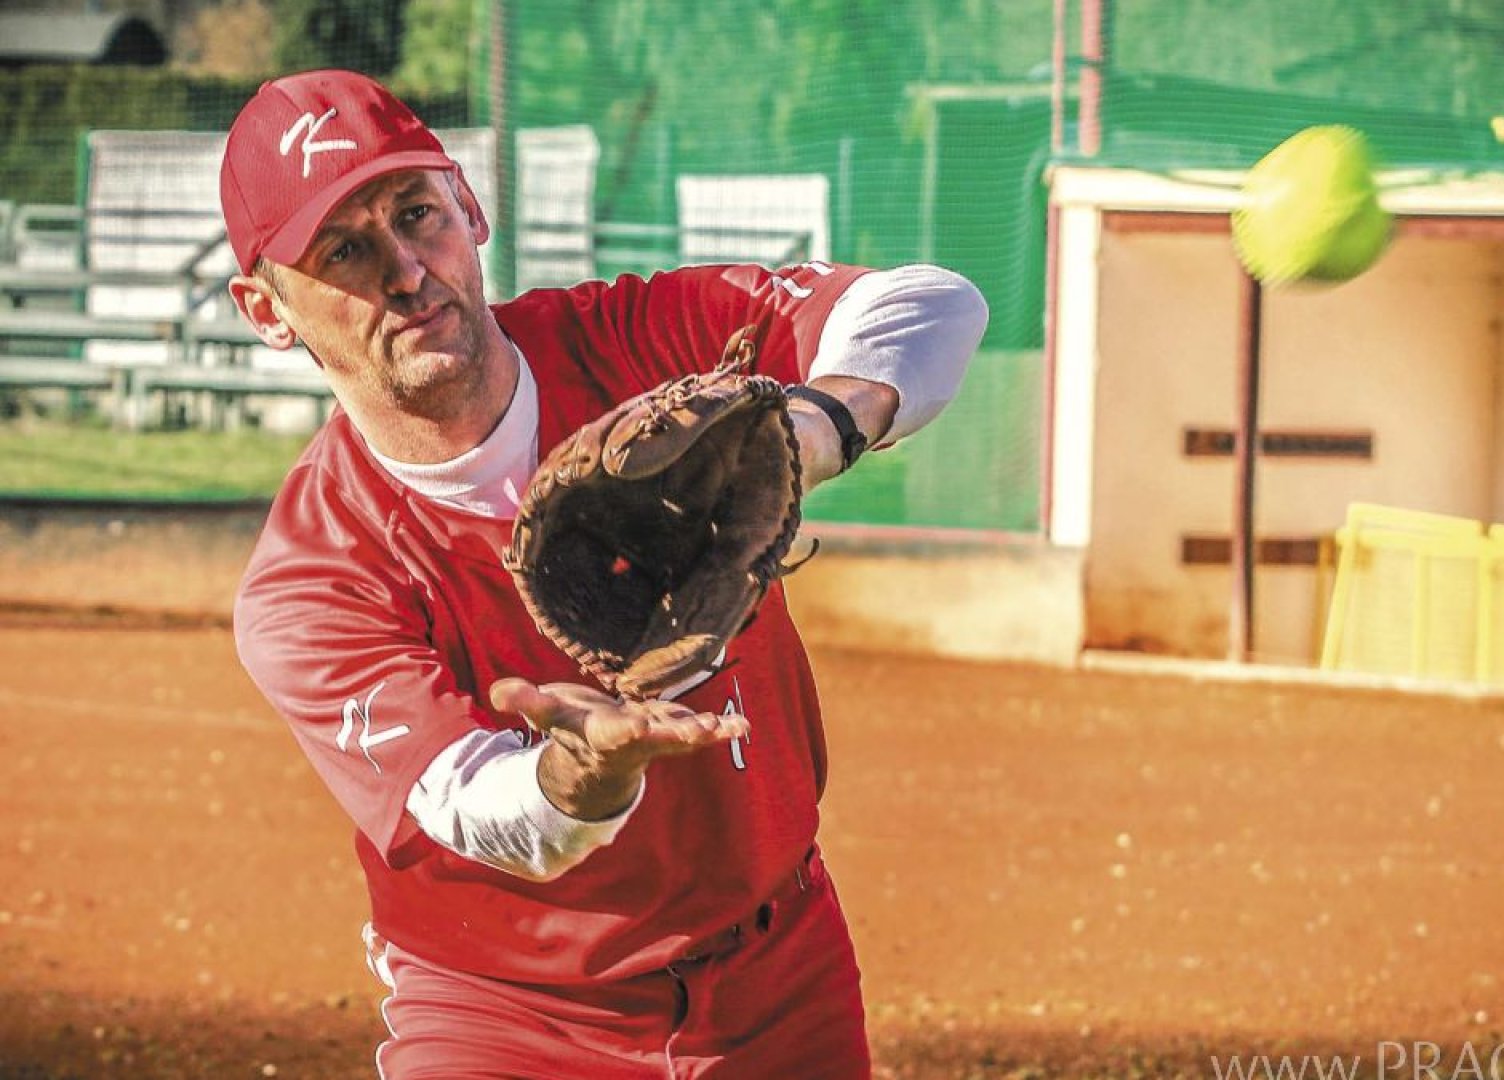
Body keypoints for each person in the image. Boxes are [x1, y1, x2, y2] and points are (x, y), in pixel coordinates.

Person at [221, 69, 986, 1078]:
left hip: (779, 972)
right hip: (507, 1018)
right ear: (266, 312)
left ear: (471, 206)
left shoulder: (639, 345)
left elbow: (932, 304)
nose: (407, 271)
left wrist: (813, 426)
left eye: (417, 215)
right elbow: (484, 816)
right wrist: (579, 776)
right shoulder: (312, 582)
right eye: (346, 252)